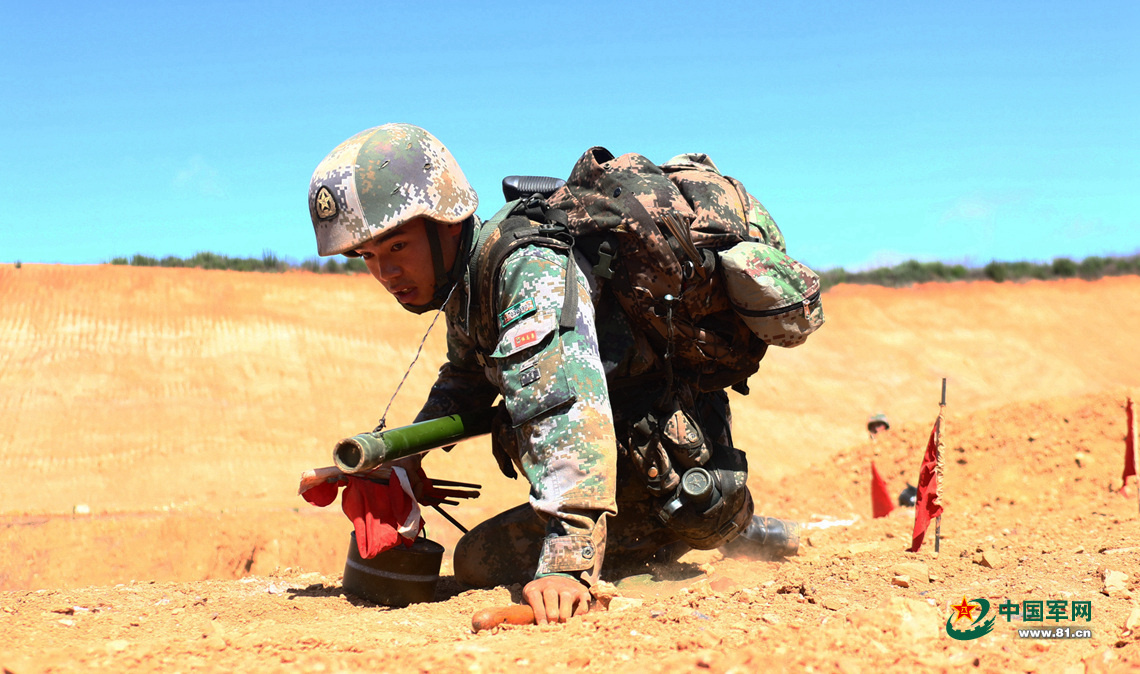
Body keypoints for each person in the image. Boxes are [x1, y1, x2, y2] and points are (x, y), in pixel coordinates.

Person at [307, 123, 792, 625]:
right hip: (637, 458)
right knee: (479, 558)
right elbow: (465, 380)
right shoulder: (471, 278)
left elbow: (562, 404)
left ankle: (714, 532)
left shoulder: (526, 266)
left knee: (479, 561)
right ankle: (739, 530)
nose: (386, 274)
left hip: (675, 474)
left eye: (397, 248)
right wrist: (396, 459)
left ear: (447, 223)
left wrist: (568, 561)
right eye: (368, 256)